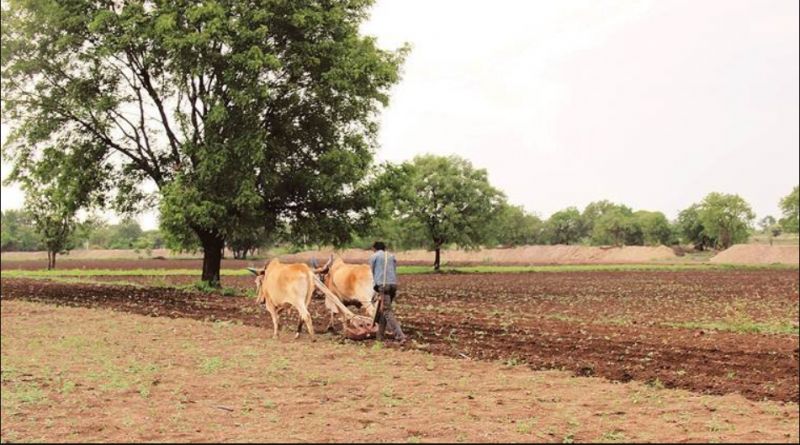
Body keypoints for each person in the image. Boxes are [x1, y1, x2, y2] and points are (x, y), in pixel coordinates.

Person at [368, 241, 407, 343]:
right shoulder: (391, 256)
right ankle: (379, 336)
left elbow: (373, 273)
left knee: (386, 311)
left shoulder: (374, 257)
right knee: (383, 310)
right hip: (393, 285)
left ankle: (400, 336)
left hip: (383, 286)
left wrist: (375, 290)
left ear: (374, 248)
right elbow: (394, 270)